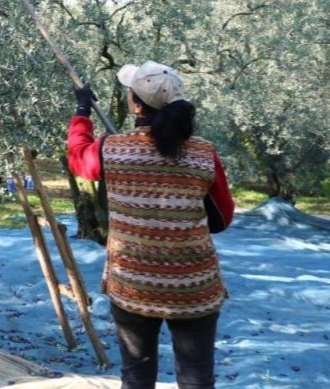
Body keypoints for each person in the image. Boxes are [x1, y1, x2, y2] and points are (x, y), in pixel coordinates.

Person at [67, 60, 235, 389]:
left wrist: (82, 112)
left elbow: (78, 158)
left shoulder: (112, 150)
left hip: (134, 284)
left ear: (136, 105)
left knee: (137, 375)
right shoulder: (204, 153)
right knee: (197, 377)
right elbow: (222, 219)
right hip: (194, 285)